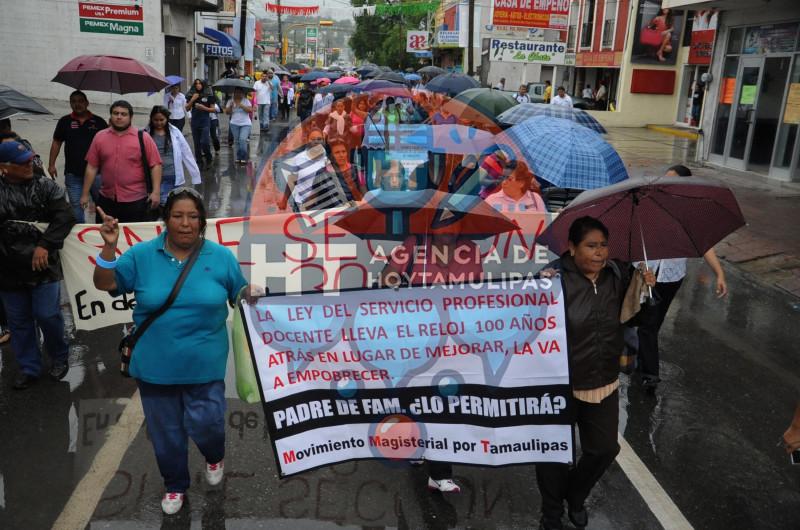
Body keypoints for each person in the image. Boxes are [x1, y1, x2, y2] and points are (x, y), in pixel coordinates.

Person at [92, 187, 247, 515]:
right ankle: (175, 484)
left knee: (207, 423)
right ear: (166, 220)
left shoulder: (220, 257)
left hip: (204, 364)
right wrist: (108, 247)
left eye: (193, 216)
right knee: (166, 433)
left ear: (202, 221)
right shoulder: (141, 255)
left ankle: (213, 454)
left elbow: (239, 292)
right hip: (154, 366)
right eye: (178, 215)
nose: (186, 223)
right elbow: (105, 284)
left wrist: (252, 292)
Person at [536, 217, 656, 530]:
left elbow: (640, 320)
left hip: (602, 381)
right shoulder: (552, 279)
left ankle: (575, 496)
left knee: (604, 448)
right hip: (559, 384)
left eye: (603, 245)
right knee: (553, 456)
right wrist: (538, 286)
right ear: (572, 248)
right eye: (591, 246)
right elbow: (526, 324)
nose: (599, 253)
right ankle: (551, 515)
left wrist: (647, 289)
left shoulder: (618, 274)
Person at [380, 231, 483, 493]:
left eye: (455, 221)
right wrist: (395, 283)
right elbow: (386, 278)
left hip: (454, 340)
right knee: (418, 394)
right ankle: (417, 445)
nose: (450, 227)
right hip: (417, 336)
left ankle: (439, 473)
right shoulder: (414, 243)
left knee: (445, 397)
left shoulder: (470, 248)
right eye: (444, 220)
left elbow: (478, 292)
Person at [633, 164, 728, 392]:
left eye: (672, 180)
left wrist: (720, 273)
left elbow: (703, 244)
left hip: (672, 277)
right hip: (647, 274)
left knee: (652, 324)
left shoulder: (690, 212)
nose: (667, 183)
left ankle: (642, 362)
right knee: (647, 324)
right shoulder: (651, 204)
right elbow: (635, 237)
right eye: (665, 179)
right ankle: (650, 374)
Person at [0, 141, 76, 390]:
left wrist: (45, 245)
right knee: (19, 321)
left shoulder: (46, 187)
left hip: (43, 266)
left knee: (47, 314)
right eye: (22, 163)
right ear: (4, 167)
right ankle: (29, 367)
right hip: (8, 268)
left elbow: (65, 217)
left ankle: (59, 356)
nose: (29, 166)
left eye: (31, 160)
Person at [81, 100, 162, 223]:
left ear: (131, 117)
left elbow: (155, 165)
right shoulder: (100, 137)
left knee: (134, 240)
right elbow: (92, 167)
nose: (119, 117)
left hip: (136, 201)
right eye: (116, 113)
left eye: (123, 114)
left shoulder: (143, 137)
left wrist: (156, 192)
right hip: (107, 200)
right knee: (105, 236)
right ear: (111, 115)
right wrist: (85, 194)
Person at [49, 90, 108, 222]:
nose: (77, 104)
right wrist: (52, 164)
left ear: (87, 103)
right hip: (73, 174)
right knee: (76, 207)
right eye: (74, 101)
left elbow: (109, 144)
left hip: (97, 174)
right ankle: (80, 236)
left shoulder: (99, 122)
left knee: (102, 205)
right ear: (70, 104)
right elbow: (57, 142)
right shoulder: (64, 121)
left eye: (80, 101)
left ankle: (101, 230)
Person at [145, 106, 201, 206]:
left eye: (161, 120)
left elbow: (186, 153)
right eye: (155, 120)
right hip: (155, 176)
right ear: (151, 119)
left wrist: (195, 175)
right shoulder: (145, 134)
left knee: (174, 204)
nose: (158, 123)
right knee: (162, 204)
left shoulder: (174, 132)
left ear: (167, 119)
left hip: (173, 176)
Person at [185, 79, 216, 168]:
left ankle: (208, 157)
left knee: (204, 142)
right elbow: (187, 109)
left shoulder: (209, 95)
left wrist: (203, 107)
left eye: (200, 83)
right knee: (197, 144)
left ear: (203, 85)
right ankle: (199, 162)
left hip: (205, 121)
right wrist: (192, 100)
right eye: (196, 84)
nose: (198, 85)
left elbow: (213, 109)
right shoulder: (191, 94)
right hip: (195, 121)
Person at [225, 87, 253, 165]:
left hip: (245, 124)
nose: (237, 94)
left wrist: (242, 106)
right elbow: (227, 113)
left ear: (242, 93)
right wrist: (230, 107)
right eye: (236, 92)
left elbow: (250, 110)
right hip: (234, 124)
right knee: (237, 141)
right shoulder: (230, 101)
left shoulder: (246, 101)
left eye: (239, 92)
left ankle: (243, 157)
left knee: (242, 139)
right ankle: (238, 157)